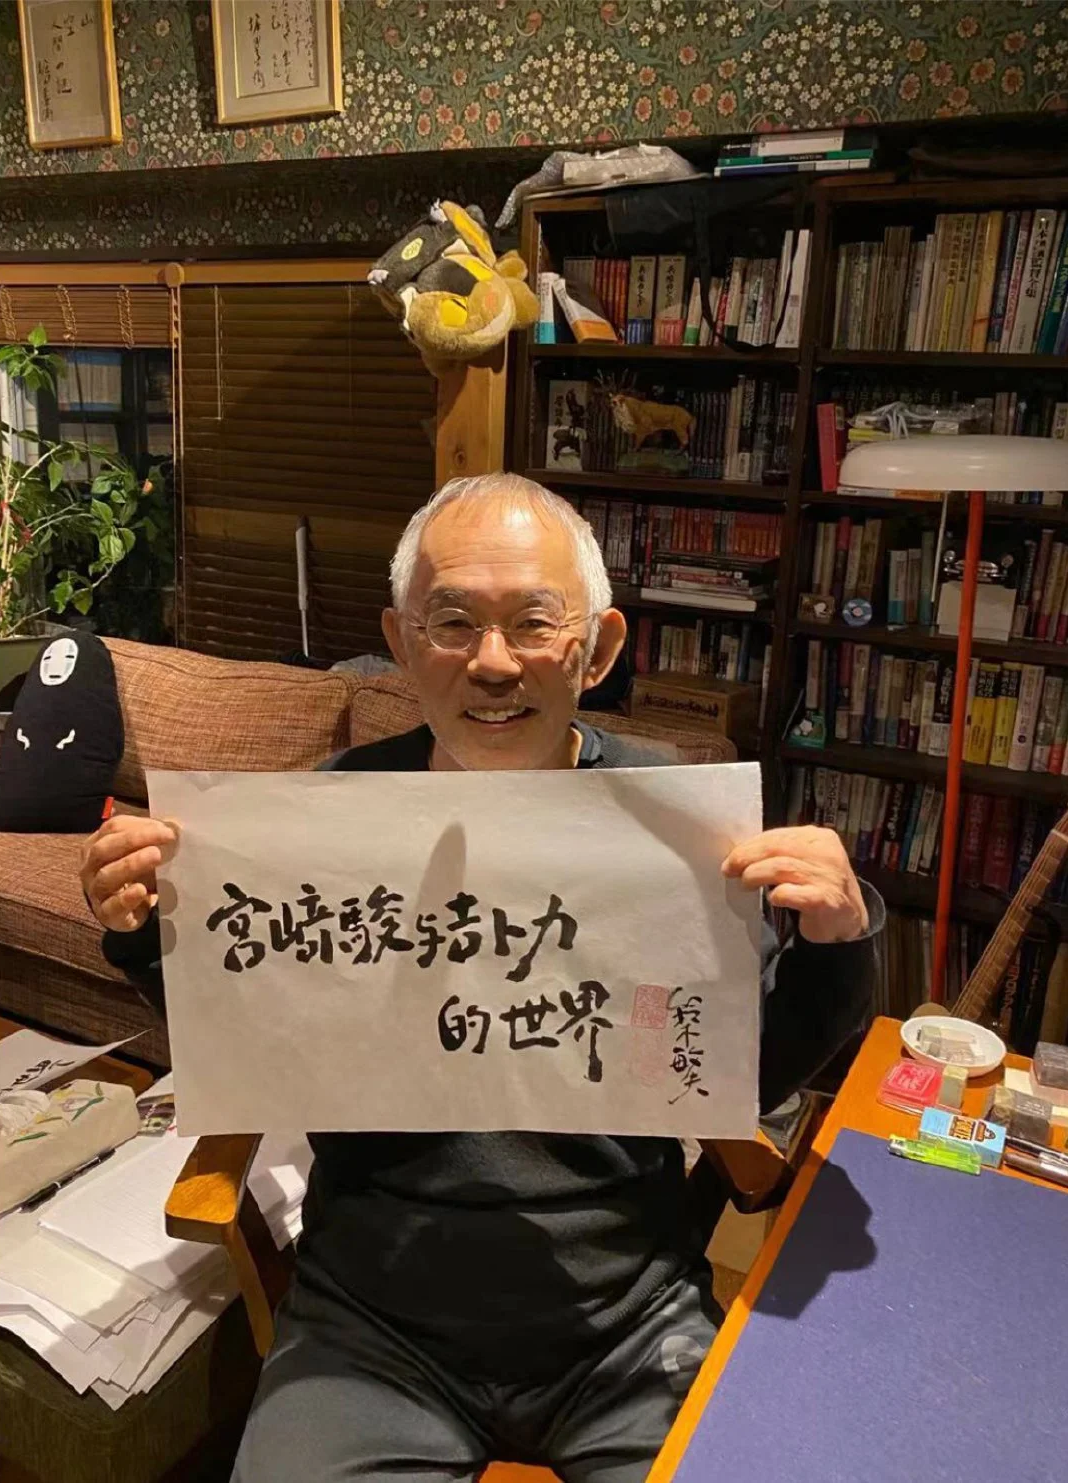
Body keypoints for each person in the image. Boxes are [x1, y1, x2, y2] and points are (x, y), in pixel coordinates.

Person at [80, 473, 882, 1483]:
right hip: (373, 1321)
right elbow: (249, 1036)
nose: (493, 662)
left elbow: (750, 1074)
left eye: (533, 623)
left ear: (597, 649)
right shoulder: (325, 819)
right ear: (403, 641)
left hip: (625, 1317)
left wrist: (836, 940)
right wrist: (145, 928)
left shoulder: (674, 829)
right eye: (452, 621)